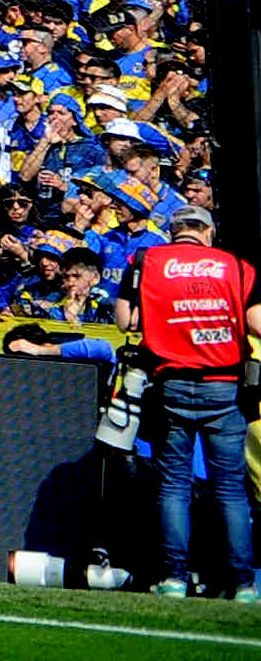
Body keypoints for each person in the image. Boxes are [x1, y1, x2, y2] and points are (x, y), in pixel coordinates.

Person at [123, 203, 257, 598]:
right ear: (208, 232)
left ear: (174, 231)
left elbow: (125, 321)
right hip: (224, 384)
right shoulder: (235, 266)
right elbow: (257, 323)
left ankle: (175, 579)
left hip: (171, 384)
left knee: (174, 487)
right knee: (231, 488)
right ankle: (244, 584)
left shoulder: (148, 260)